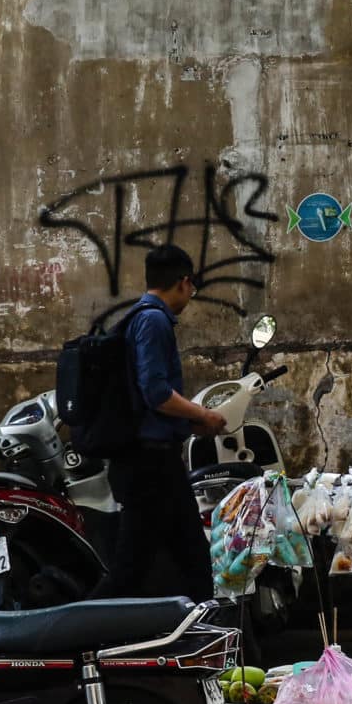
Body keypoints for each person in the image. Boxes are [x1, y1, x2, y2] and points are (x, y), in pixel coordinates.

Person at [109, 244, 225, 599]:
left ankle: (203, 635)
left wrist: (191, 425)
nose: (191, 294)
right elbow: (156, 393)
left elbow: (149, 403)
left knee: (188, 555)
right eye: (192, 287)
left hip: (153, 461)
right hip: (150, 466)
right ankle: (75, 640)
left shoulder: (139, 317)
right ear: (183, 282)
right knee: (133, 570)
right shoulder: (153, 320)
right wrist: (203, 414)